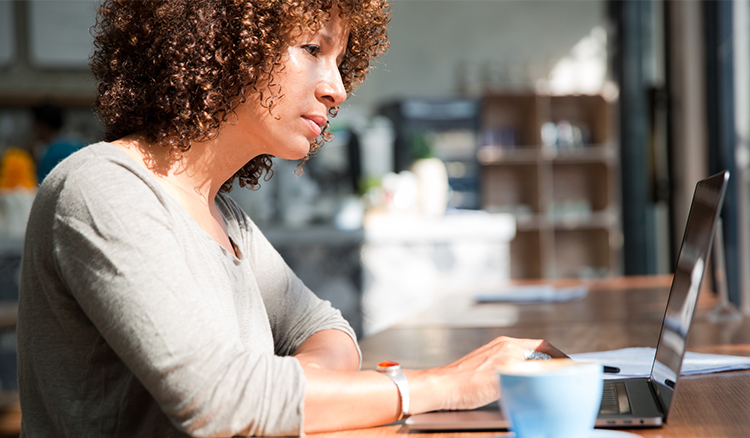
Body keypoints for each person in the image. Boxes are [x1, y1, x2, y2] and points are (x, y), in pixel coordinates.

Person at [17, 1, 565, 437]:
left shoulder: (222, 216)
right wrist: (442, 384)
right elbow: (220, 402)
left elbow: (327, 329)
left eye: (340, 61)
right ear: (220, 43)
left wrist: (285, 389)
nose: (338, 88)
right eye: (311, 49)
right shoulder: (102, 188)